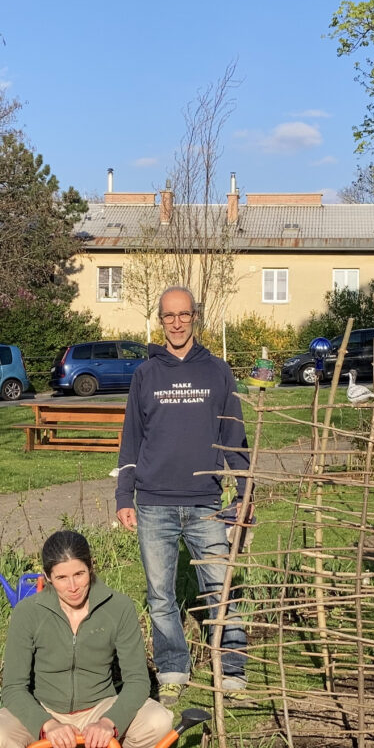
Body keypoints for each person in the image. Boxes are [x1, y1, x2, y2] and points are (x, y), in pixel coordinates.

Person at [114, 285, 251, 706]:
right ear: (161, 320)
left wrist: (245, 495)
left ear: (195, 317)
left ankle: (231, 668)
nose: (177, 323)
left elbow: (234, 438)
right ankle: (173, 668)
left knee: (220, 586)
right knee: (160, 593)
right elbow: (132, 438)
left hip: (205, 501)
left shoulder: (217, 372)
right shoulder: (145, 374)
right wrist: (124, 495)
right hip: (153, 501)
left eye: (184, 315)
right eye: (169, 316)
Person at [0, 531, 174, 748]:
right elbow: (13, 687)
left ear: (91, 566)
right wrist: (46, 725)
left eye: (79, 574)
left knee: (158, 721)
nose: (73, 587)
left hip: (99, 707)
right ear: (48, 577)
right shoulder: (27, 613)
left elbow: (138, 681)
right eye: (61, 578)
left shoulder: (119, 607)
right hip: (45, 708)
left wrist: (108, 722)